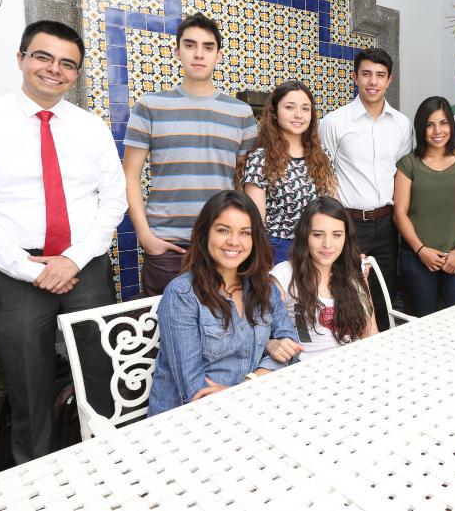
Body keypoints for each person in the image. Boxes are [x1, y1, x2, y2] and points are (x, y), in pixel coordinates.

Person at [0, 20, 127, 463]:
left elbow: (113, 202)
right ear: (21, 59)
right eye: (43, 57)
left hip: (84, 266)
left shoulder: (92, 128)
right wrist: (30, 269)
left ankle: (104, 462)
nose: (54, 69)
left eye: (67, 63)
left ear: (76, 73)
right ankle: (35, 473)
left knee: (99, 373)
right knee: (28, 385)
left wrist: (71, 260)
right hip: (15, 270)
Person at [123, 13, 258, 296]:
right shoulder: (150, 106)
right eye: (190, 45)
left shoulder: (241, 113)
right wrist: (145, 236)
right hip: (168, 245)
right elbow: (129, 176)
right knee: (164, 321)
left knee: (223, 319)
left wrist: (242, 236)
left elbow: (243, 182)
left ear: (218, 55)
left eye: (208, 47)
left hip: (222, 244)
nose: (198, 54)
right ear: (177, 51)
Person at [148, 191, 301, 417]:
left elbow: (291, 347)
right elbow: (194, 390)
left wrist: (249, 381)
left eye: (245, 232)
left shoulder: (264, 288)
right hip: (186, 418)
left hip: (250, 407)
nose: (233, 241)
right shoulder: (182, 295)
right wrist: (258, 380)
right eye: (223, 230)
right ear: (204, 234)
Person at [319, 48, 413, 330]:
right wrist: (337, 225)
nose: (373, 81)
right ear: (355, 77)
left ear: (389, 80)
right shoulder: (334, 122)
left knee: (384, 295)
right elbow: (324, 174)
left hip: (387, 223)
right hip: (348, 222)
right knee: (347, 295)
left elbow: (403, 175)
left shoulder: (402, 124)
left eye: (380, 75)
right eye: (366, 74)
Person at [394, 97, 455, 315]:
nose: (437, 131)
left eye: (443, 123)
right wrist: (421, 250)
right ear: (420, 128)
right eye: (430, 124)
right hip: (417, 258)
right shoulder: (409, 163)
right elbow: (399, 213)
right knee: (421, 323)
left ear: (451, 125)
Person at [241, 80, 337, 264]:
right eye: (290, 107)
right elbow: (256, 222)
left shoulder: (323, 155)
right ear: (274, 112)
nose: (298, 115)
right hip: (277, 249)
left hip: (319, 248)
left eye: (305, 109)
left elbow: (333, 209)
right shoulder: (260, 158)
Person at [269, 197, 378, 357]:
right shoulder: (284, 274)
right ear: (305, 235)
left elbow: (370, 333)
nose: (327, 244)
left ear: (346, 237)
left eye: (337, 235)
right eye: (318, 235)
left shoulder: (355, 270)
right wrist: (271, 344)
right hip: (308, 366)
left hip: (355, 362)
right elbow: (260, 332)